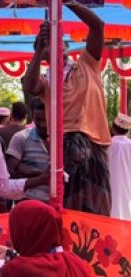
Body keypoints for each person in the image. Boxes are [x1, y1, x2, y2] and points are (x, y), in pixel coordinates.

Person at [23, 3, 111, 216]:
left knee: (98, 208)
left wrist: (66, 2)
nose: (56, 46)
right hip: (65, 147)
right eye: (48, 44)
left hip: (94, 143)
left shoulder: (87, 63)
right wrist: (39, 51)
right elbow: (28, 86)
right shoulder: (46, 81)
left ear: (65, 46)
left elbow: (97, 25)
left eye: (58, 41)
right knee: (68, 208)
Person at [6, 99, 51, 204]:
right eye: (38, 119)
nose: (43, 124)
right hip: (28, 201)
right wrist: (40, 175)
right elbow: (11, 171)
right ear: (32, 117)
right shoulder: (21, 137)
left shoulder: (64, 140)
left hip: (58, 202)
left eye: (47, 120)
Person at [109, 114, 131, 220]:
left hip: (109, 183)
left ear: (113, 128)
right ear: (127, 131)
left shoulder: (108, 143)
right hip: (127, 183)